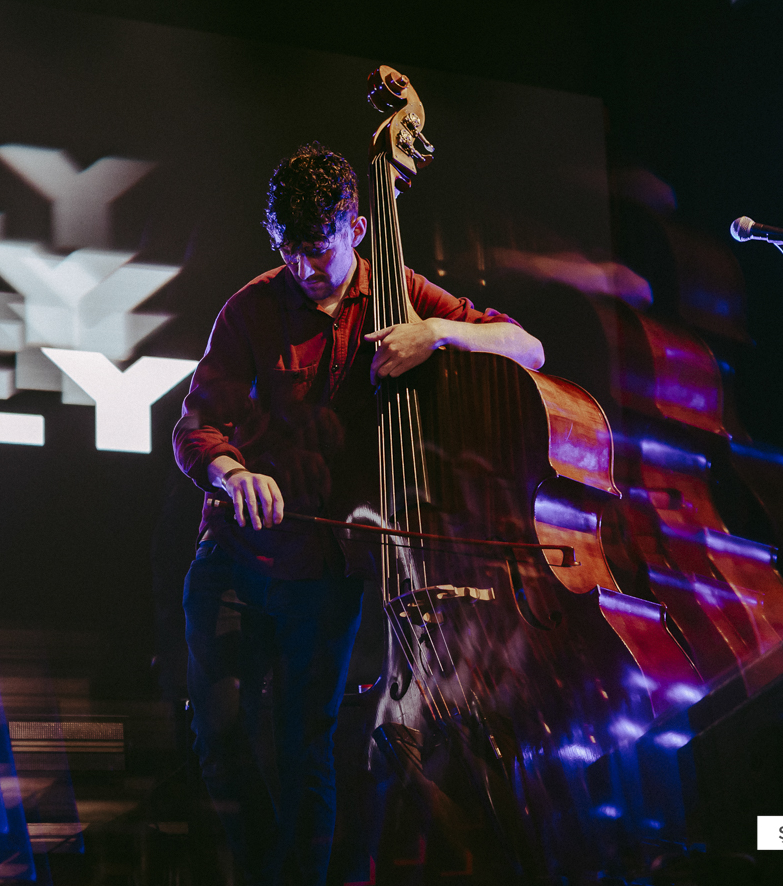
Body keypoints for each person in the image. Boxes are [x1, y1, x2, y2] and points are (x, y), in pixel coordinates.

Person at [173, 143, 543, 885]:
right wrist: (234, 470)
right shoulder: (249, 307)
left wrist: (437, 333)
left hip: (328, 569)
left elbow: (526, 346)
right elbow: (194, 427)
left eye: (320, 249)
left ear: (360, 229)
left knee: (306, 744)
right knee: (218, 734)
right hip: (236, 560)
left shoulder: (398, 293)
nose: (306, 268)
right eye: (290, 250)